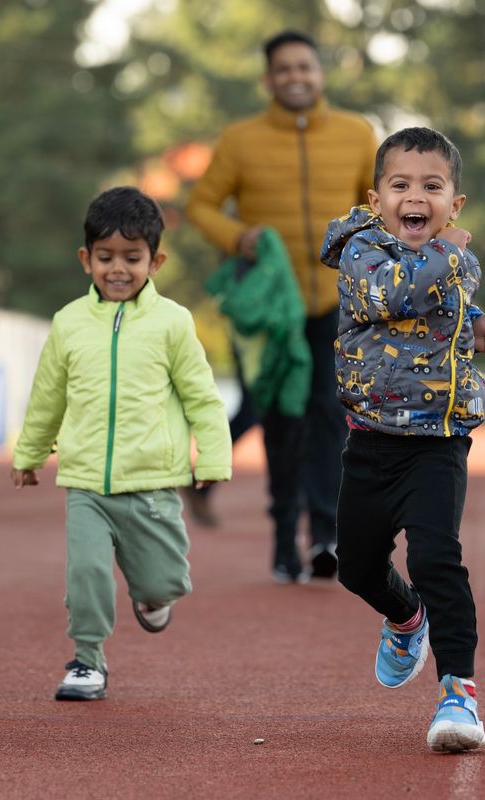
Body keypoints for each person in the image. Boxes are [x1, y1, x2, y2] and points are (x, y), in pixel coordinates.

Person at [319, 127, 485, 753]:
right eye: (400, 185)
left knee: (436, 558)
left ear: (456, 203)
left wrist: (479, 326)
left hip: (438, 440)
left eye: (432, 186)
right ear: (377, 201)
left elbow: (441, 308)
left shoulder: (456, 261)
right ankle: (406, 618)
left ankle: (459, 691)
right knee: (356, 566)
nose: (414, 197)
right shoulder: (361, 254)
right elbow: (391, 296)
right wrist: (450, 255)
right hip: (371, 438)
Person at [10, 187, 232, 701]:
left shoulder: (172, 322)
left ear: (155, 261)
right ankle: (87, 659)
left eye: (132, 259)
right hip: (86, 479)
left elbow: (201, 397)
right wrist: (29, 453)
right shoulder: (68, 324)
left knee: (163, 584)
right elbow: (48, 397)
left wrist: (214, 457)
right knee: (86, 571)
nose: (117, 270)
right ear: (86, 259)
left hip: (153, 481)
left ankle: (153, 600)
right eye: (105, 258)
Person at [186, 29, 378, 582]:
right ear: (269, 80)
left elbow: (380, 201)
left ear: (321, 74)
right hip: (273, 312)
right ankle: (281, 541)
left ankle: (325, 536)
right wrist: (239, 238)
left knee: (329, 416)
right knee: (279, 422)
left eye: (305, 68)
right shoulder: (240, 140)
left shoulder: (356, 132)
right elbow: (201, 205)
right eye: (285, 70)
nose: (296, 77)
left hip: (337, 301)